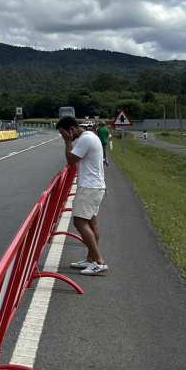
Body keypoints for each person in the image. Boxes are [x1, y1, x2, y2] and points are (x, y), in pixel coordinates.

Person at [57, 116, 108, 276]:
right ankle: (91, 259)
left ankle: (99, 261)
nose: (64, 137)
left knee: (79, 222)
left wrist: (67, 142)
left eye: (63, 134)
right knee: (91, 223)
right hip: (96, 186)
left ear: (71, 130)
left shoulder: (85, 139)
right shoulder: (90, 136)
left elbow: (71, 160)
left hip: (89, 187)